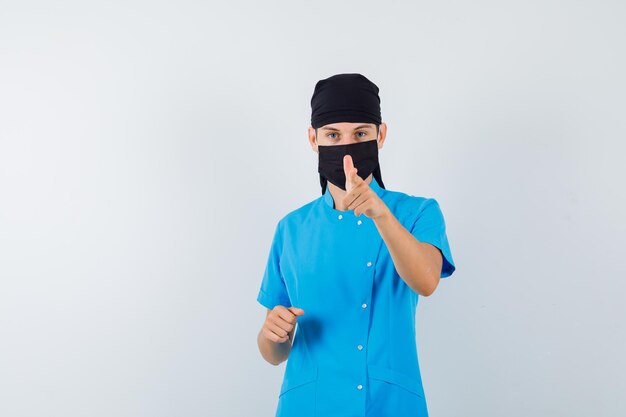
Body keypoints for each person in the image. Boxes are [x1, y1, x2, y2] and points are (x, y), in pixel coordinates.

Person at [256, 73, 456, 417]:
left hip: (389, 403)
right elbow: (273, 353)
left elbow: (426, 281)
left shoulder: (417, 212)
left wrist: (380, 214)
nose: (346, 147)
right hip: (308, 404)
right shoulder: (291, 229)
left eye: (360, 133)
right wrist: (272, 334)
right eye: (333, 135)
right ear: (313, 139)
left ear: (381, 136)